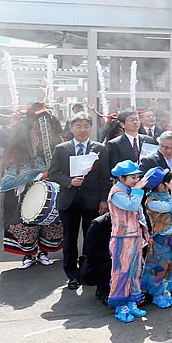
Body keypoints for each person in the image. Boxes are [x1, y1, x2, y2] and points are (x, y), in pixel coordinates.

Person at [47, 112, 110, 290]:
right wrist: (69, 181)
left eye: (86, 126)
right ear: (71, 128)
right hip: (69, 201)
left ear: (91, 128)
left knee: (91, 238)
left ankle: (87, 271)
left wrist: (104, 200)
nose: (82, 130)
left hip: (92, 201)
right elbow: (52, 173)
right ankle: (72, 274)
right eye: (78, 126)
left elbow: (105, 177)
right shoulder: (62, 148)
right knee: (70, 238)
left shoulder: (99, 148)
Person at [1, 103, 64, 268]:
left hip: (50, 180)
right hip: (26, 183)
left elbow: (61, 154)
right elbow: (10, 160)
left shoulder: (55, 132)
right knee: (26, 218)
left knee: (49, 218)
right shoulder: (19, 136)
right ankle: (28, 254)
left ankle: (44, 252)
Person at [108, 160, 149, 323]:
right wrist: (138, 190)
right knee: (121, 272)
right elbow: (132, 206)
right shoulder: (116, 192)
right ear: (121, 178)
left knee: (135, 270)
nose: (136, 180)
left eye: (137, 177)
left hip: (135, 237)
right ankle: (120, 306)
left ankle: (132, 301)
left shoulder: (131, 189)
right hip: (121, 238)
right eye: (133, 177)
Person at [140, 168, 172, 308]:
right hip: (161, 239)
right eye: (169, 182)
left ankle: (166, 293)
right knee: (159, 267)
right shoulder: (151, 201)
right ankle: (157, 295)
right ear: (161, 185)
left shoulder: (166, 195)